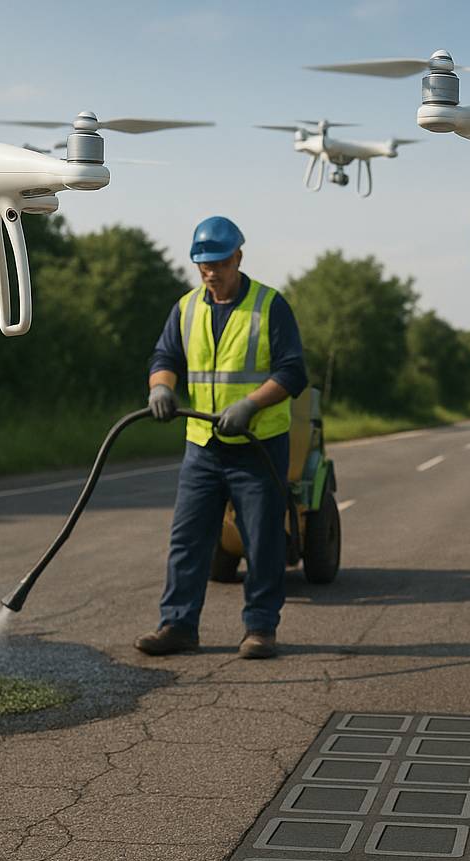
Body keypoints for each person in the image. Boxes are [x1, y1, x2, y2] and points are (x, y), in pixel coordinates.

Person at [135, 216, 307, 660]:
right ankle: (178, 624)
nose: (210, 272)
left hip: (258, 446)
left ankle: (260, 629)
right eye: (202, 264)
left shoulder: (270, 306)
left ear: (238, 258)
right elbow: (165, 354)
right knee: (188, 539)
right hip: (203, 448)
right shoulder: (187, 307)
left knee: (262, 540)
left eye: (218, 263)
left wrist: (250, 404)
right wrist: (161, 386)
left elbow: (292, 372)